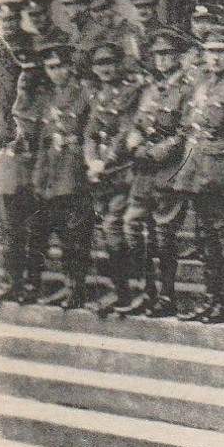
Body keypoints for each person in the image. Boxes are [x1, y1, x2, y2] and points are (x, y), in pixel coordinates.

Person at [167, 23, 224, 323]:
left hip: (220, 170)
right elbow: (188, 122)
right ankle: (210, 297)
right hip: (196, 166)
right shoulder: (199, 84)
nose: (216, 58)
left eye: (222, 53)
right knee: (204, 236)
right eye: (211, 52)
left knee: (223, 236)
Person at [116, 27, 193, 318]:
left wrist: (154, 153)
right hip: (143, 172)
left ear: (179, 57)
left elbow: (185, 132)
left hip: (168, 171)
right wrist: (134, 145)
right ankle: (146, 290)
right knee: (133, 225)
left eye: (168, 54)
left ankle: (167, 295)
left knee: (164, 236)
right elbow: (136, 124)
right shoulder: (149, 89)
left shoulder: (188, 90)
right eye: (158, 54)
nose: (162, 59)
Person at [30, 42, 94, 309]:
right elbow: (42, 138)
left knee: (74, 237)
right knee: (45, 231)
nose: (55, 72)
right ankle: (37, 286)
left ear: (70, 67)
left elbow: (90, 134)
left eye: (59, 67)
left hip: (74, 174)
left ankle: (75, 289)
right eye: (50, 67)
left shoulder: (84, 95)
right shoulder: (46, 97)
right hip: (49, 174)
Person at [81, 42, 141, 316]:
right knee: (107, 231)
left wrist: (104, 162)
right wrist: (91, 161)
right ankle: (120, 291)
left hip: (122, 173)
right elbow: (91, 134)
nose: (104, 69)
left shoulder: (131, 93)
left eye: (109, 64)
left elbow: (124, 134)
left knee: (114, 226)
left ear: (120, 65)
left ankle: (127, 292)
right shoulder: (100, 95)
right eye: (99, 65)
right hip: (101, 174)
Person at [0, 41, 52, 304]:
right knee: (11, 231)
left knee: (37, 231)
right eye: (22, 69)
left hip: (38, 171)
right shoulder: (7, 96)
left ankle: (32, 283)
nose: (25, 77)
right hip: (11, 172)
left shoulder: (49, 100)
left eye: (32, 70)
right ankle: (11, 283)